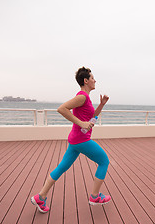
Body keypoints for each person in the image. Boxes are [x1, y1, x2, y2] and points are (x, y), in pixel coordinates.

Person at [31, 67, 111, 213]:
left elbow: (92, 117)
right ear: (86, 81)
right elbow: (61, 109)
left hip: (75, 141)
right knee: (104, 162)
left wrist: (102, 105)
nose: (95, 80)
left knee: (61, 168)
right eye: (92, 78)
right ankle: (95, 196)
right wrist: (81, 123)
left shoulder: (85, 98)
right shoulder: (82, 97)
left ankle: (40, 197)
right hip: (82, 140)